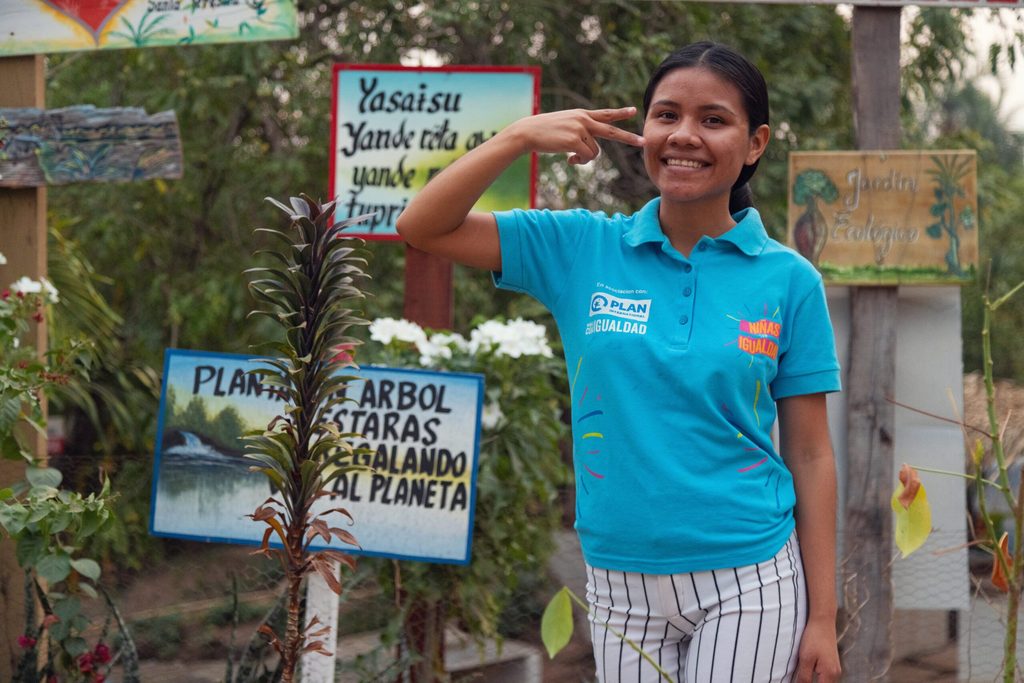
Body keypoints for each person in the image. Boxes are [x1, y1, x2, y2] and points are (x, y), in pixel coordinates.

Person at [396, 41, 842, 683]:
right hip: (615, 581)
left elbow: (811, 454)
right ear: (644, 129)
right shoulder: (582, 247)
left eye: (713, 119)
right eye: (667, 115)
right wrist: (518, 137)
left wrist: (822, 617)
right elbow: (423, 226)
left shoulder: (789, 280)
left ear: (755, 143)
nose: (684, 135)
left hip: (750, 575)